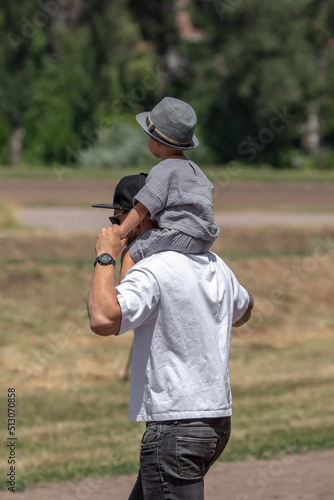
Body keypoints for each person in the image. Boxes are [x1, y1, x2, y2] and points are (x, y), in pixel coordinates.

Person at [88, 174, 254, 500]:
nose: (115, 225)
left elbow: (103, 318)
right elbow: (244, 311)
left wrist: (105, 257)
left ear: (141, 216)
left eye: (118, 216)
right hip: (215, 421)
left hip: (175, 427)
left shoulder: (155, 270)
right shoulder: (214, 263)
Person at [118, 97, 220, 281]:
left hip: (178, 235)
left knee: (130, 254)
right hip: (206, 239)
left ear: (155, 141)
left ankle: (125, 299)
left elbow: (142, 208)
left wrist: (120, 233)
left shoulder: (163, 170)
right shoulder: (196, 170)